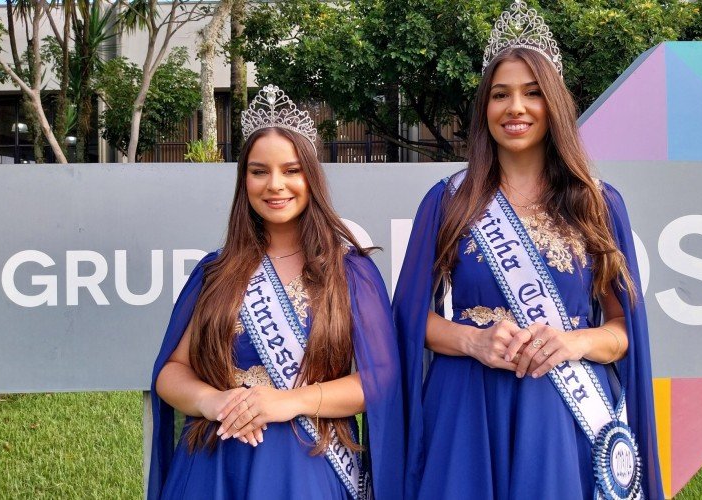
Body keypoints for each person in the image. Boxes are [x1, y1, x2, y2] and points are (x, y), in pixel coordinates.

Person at [393, 2, 663, 499]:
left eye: (532, 93)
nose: (515, 108)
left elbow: (624, 329)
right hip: (467, 410)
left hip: (563, 414)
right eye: (501, 95)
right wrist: (472, 341)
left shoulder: (598, 204)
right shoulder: (448, 200)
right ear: (484, 109)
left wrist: (574, 343)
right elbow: (411, 322)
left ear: (554, 104)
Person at [149, 85, 404, 499]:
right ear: (243, 179)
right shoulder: (216, 271)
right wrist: (213, 401)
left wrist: (291, 402)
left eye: (291, 170)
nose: (275, 185)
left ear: (311, 176)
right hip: (217, 462)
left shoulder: (350, 272)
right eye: (259, 171)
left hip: (309, 467)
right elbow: (171, 373)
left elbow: (378, 380)